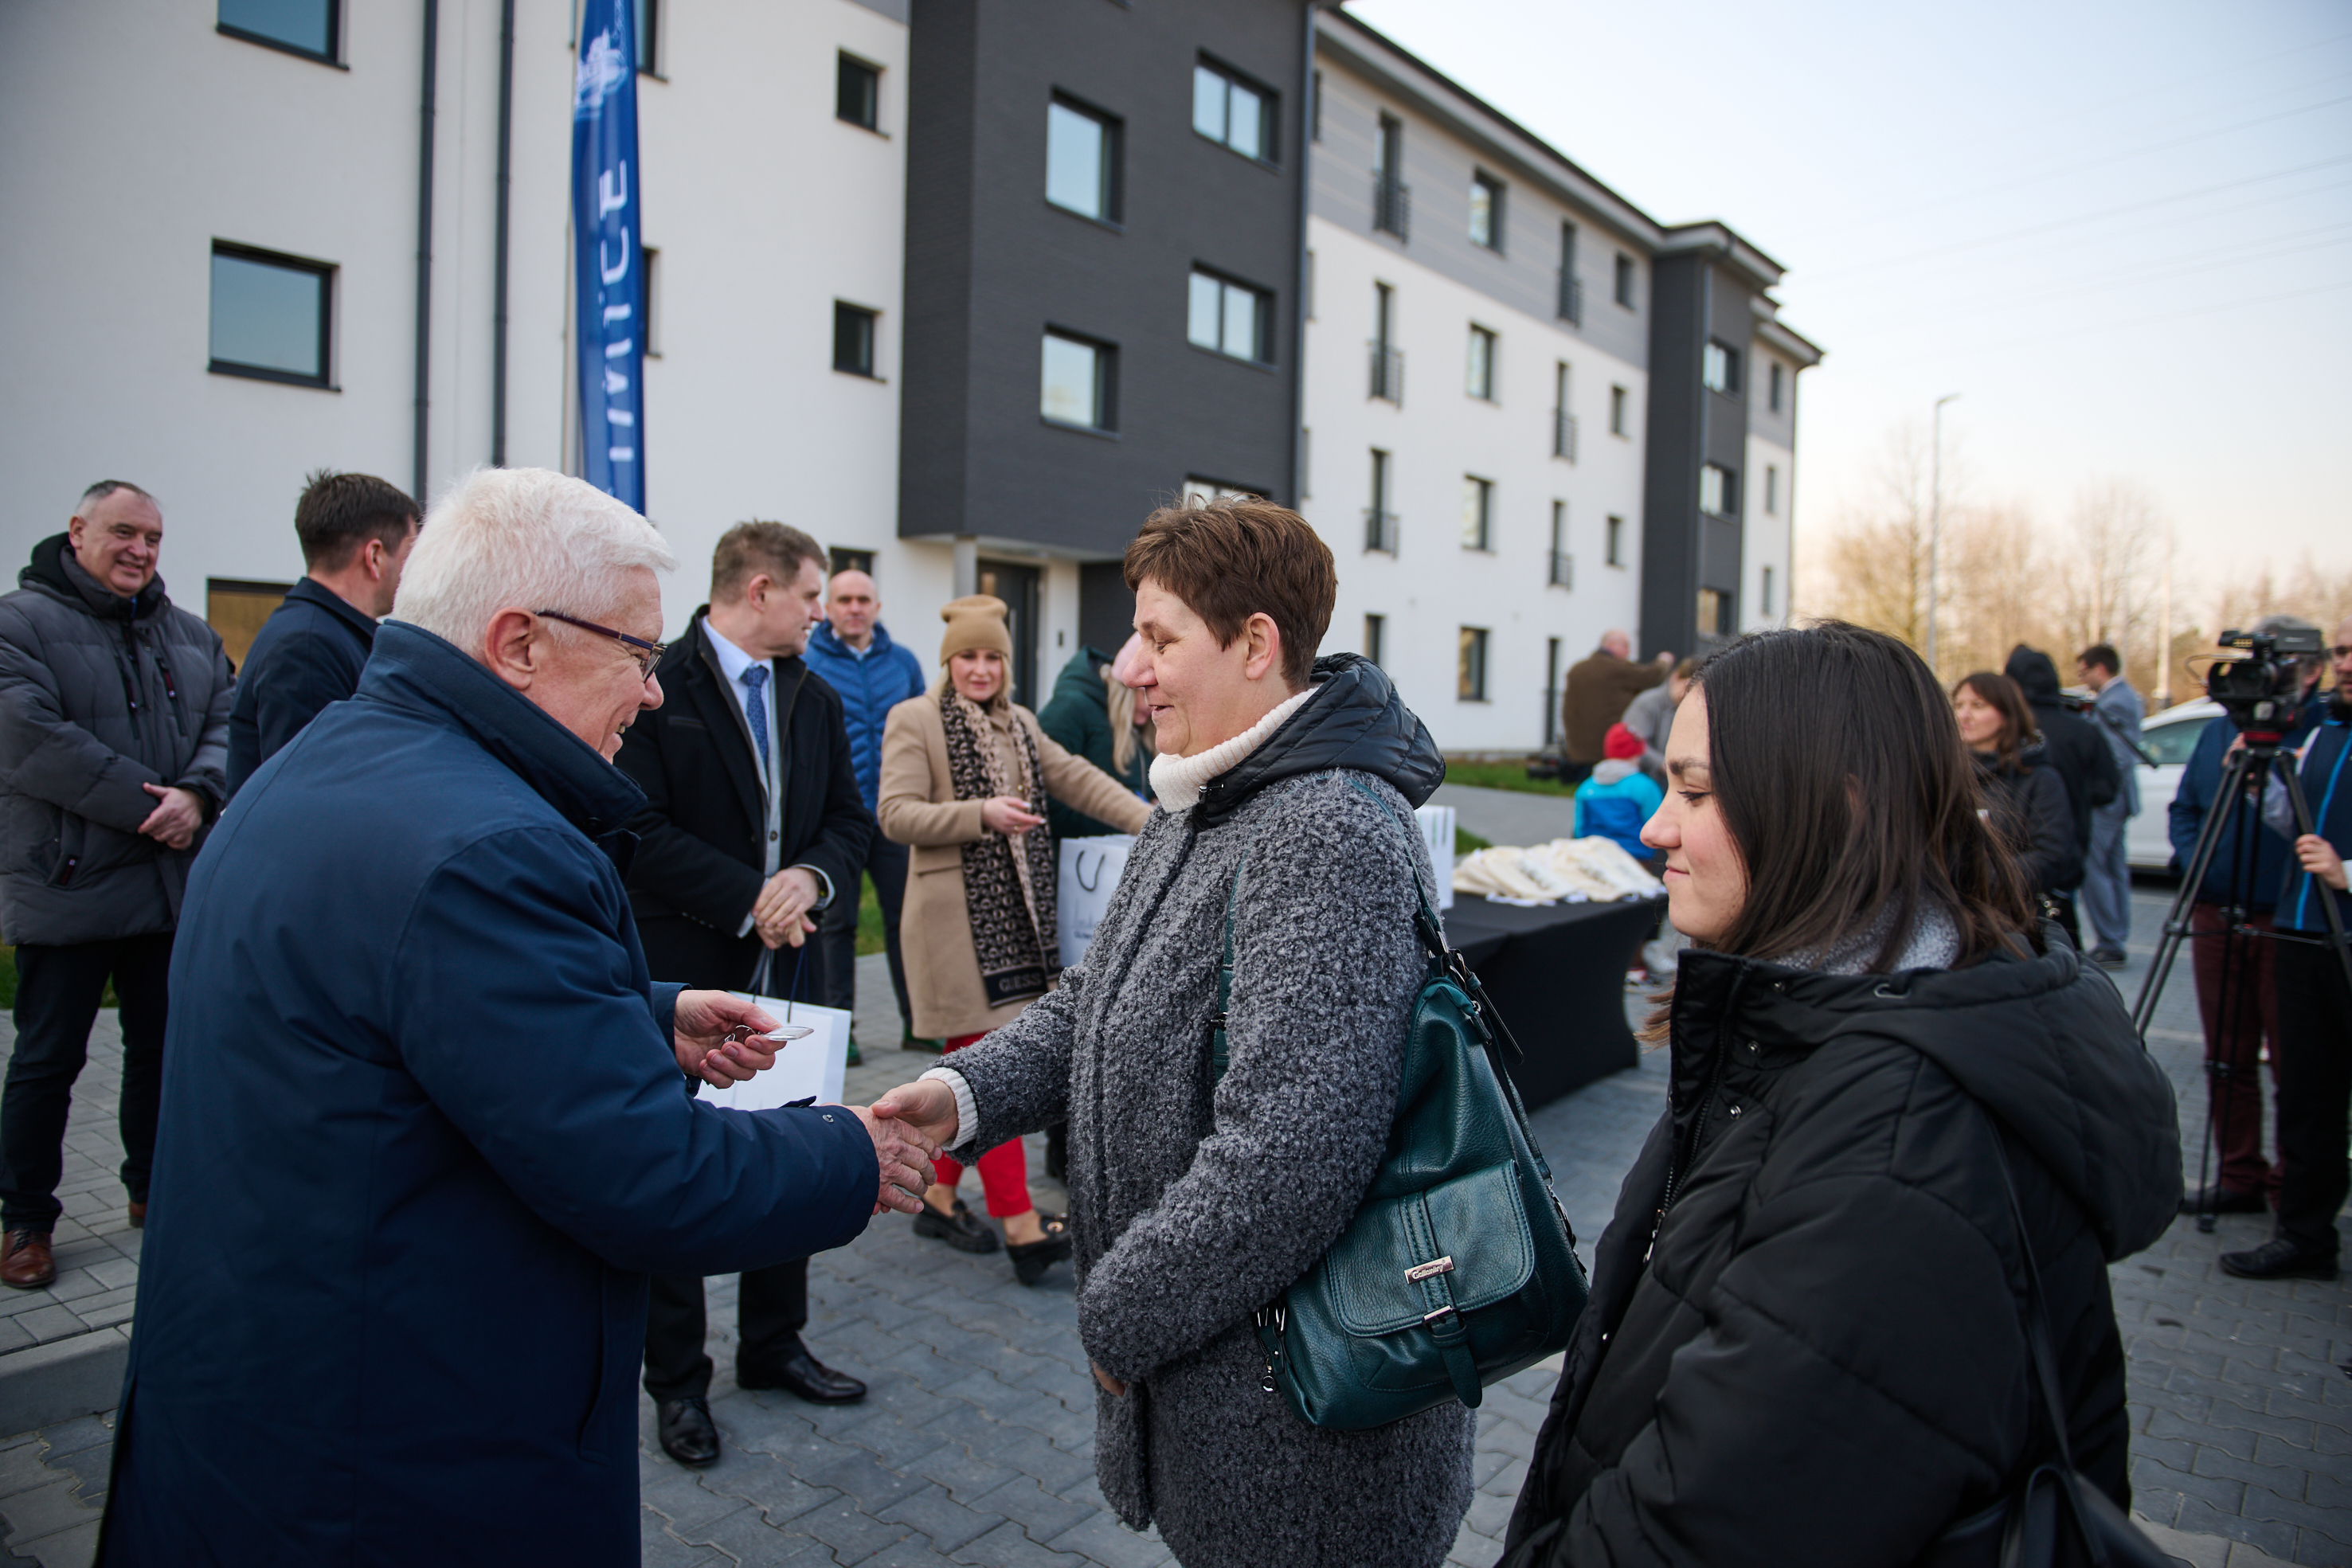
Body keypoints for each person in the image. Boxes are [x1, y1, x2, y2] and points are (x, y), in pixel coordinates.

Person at [96, 469, 938, 1567]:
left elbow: (394, 1007)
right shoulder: (497, 847)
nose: (651, 694)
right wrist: (848, 1150)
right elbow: (648, 1177)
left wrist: (640, 1015)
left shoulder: (334, 759)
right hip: (399, 1464)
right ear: (519, 644)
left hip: (261, 1410)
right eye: (639, 656)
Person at [1501, 622, 2181, 1566]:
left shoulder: (1897, 1145)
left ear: (1837, 807)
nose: (1656, 824)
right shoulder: (1821, 1023)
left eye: (1694, 789)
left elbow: (1705, 1521)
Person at [871, 499, 1470, 1568]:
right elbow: (1092, 1000)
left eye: (1160, 639)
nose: (1129, 670)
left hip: (1307, 1449)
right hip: (1231, 1405)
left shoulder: (1322, 830)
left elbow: (1287, 1158)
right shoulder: (1207, 796)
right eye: (1134, 639)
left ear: (1255, 644)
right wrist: (961, 1097)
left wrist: (1117, 1316)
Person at [611, 522, 878, 1467]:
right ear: (758, 590)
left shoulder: (813, 692)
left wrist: (807, 879)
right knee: (676, 1168)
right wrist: (743, 901)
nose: (823, 613)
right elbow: (631, 824)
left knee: (790, 1142)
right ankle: (677, 1383)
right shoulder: (661, 683)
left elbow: (849, 821)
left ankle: (773, 1343)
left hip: (792, 967)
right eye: (812, 597)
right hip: (682, 971)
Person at [876, 595, 1149, 1281]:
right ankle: (1020, 1222)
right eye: (967, 656)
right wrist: (981, 813)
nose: (979, 668)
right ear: (948, 661)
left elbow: (1079, 778)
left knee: (971, 1059)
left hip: (1013, 925)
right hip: (951, 927)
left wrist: (1154, 818)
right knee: (984, 1064)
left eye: (991, 656)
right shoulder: (914, 718)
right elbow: (894, 814)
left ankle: (937, 1193)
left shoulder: (1022, 724)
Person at [0, 482, 231, 1289]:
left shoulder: (192, 635)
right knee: (47, 1059)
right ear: (78, 531)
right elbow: (29, 738)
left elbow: (227, 722)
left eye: (154, 538)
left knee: (163, 1053)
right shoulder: (17, 624)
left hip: (168, 887)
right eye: (124, 532)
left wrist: (199, 794)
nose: (141, 550)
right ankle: (24, 1218)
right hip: (68, 885)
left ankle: (151, 1192)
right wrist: (154, 807)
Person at [2166, 614, 2323, 1215]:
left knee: (2292, 1060)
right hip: (2214, 910)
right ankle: (2238, 1173)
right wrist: (2195, 863)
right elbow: (2185, 807)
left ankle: (2294, 1188)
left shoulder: (2315, 734)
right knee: (2223, 1054)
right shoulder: (2218, 731)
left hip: (2284, 921)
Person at [2221, 614, 2352, 1283]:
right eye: (2340, 650)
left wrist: (2347, 872)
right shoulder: (2324, 729)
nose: (2345, 663)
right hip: (2300, 931)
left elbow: (2328, 852)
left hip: (2345, 923)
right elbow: (2291, 822)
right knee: (2306, 1093)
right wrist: (2255, 779)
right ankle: (2303, 1234)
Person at [225, 469, 421, 795]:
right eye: (409, 555)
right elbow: (313, 791)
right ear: (375, 556)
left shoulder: (320, 633)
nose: (414, 571)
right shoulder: (308, 647)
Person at [803, 568, 929, 1057]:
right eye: (844, 599)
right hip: (837, 819)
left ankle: (918, 1024)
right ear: (830, 608)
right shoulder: (810, 660)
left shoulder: (903, 663)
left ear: (876, 607)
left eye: (863, 600)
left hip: (895, 815)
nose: (854, 608)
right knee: (838, 925)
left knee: (906, 922)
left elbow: (922, 730)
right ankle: (843, 1033)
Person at [2004, 644, 2119, 946]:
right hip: (2063, 870)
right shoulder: (2082, 731)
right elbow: (2108, 789)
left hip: (2012, 871)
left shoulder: (2005, 732)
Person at [1955, 671, 2080, 914]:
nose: (1964, 715)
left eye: (1978, 706)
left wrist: (1978, 881)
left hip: (2014, 918)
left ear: (2007, 713)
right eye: (1958, 705)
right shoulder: (1945, 773)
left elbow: (2052, 856)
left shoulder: (2039, 779)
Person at [1036, 635, 1154, 839]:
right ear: (1129, 686)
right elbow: (1047, 801)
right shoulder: (1071, 708)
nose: (1153, 705)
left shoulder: (1143, 723)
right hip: (1073, 860)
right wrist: (1125, 820)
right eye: (1149, 690)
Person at [2074, 643, 2145, 968]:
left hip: (2108, 801)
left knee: (2095, 868)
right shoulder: (2125, 696)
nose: (2083, 678)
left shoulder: (2115, 700)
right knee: (2115, 870)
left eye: (2084, 671)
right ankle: (2116, 935)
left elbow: (2116, 756)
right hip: (2120, 799)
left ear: (2100, 668)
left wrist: (2096, 787)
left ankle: (2110, 940)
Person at [1562, 629, 1675, 782]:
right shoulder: (1616, 668)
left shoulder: (1577, 669)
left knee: (1589, 794)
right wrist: (1664, 661)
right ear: (1611, 645)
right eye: (1626, 646)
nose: (1629, 651)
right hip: (1608, 748)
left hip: (1579, 750)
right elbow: (1649, 677)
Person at [1572, 721, 1663, 862]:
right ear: (1637, 754)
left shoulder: (1586, 788)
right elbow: (1656, 827)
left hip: (1595, 858)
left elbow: (1579, 830)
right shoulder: (1645, 786)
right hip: (1636, 859)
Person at [1620, 656, 1695, 785]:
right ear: (1675, 678)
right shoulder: (1647, 703)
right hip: (1646, 782)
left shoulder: (1691, 707)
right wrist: (1664, 765)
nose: (1688, 695)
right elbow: (1633, 742)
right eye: (1687, 688)